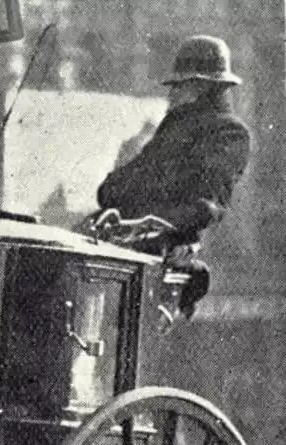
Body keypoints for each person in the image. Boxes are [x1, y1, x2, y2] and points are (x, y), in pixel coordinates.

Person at [92, 35, 250, 317]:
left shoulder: (228, 133)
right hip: (127, 252)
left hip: (160, 261)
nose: (172, 93)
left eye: (180, 85)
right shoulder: (172, 130)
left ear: (202, 86)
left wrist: (148, 221)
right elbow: (112, 188)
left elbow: (207, 206)